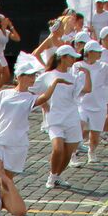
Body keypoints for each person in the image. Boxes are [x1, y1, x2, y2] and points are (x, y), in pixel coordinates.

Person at [34, 46, 84, 186]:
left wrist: (86, 74)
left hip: (72, 118)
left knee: (68, 153)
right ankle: (52, 177)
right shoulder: (48, 75)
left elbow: (84, 91)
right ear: (62, 57)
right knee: (58, 149)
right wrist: (43, 102)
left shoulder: (74, 77)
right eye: (71, 57)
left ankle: (56, 176)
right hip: (54, 118)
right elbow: (32, 90)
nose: (73, 60)